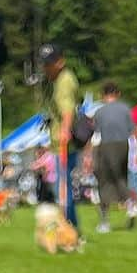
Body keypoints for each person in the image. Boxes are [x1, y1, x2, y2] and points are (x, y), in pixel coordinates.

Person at [38, 42, 81, 233]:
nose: (46, 67)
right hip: (55, 143)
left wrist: (65, 130)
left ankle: (71, 228)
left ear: (60, 62)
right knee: (60, 189)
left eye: (49, 63)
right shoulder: (54, 81)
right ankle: (68, 226)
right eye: (44, 63)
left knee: (62, 189)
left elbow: (68, 109)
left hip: (65, 145)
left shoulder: (65, 80)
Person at [92, 81, 137, 233]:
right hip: (124, 145)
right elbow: (133, 130)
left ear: (103, 95)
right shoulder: (125, 109)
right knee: (121, 177)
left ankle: (105, 221)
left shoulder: (99, 112)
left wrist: (91, 156)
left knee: (104, 182)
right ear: (117, 94)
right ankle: (130, 203)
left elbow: (96, 135)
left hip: (106, 145)